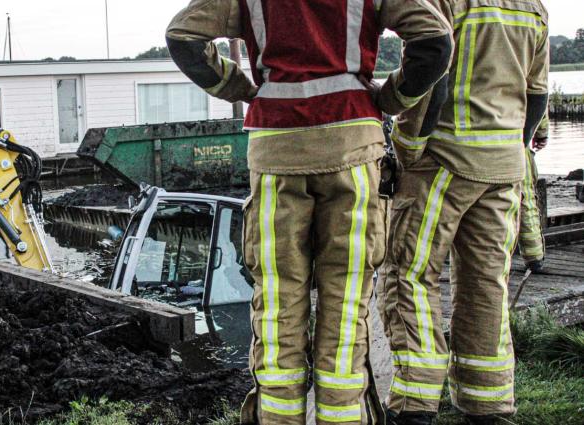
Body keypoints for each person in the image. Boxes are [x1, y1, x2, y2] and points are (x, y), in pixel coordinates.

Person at [165, 1, 452, 423]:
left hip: (276, 150)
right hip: (353, 148)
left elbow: (183, 36)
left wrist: (239, 88)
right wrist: (391, 98)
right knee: (347, 299)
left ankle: (279, 416)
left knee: (278, 300)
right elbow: (434, 40)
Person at [378, 1, 550, 424]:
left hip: (443, 161)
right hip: (504, 169)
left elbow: (432, 75)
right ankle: (486, 402)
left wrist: (407, 147)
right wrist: (518, 147)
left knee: (409, 274)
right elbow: (538, 94)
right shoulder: (534, 7)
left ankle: (414, 403)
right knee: (487, 283)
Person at [519, 113, 549, 271]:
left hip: (460, 150)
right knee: (525, 201)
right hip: (514, 144)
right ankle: (534, 257)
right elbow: (540, 101)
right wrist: (541, 133)